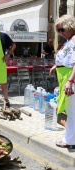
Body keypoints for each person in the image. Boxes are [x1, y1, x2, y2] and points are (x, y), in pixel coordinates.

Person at [49, 15, 75, 149]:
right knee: (70, 110)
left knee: (70, 111)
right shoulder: (70, 40)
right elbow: (67, 59)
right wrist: (56, 66)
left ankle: (70, 140)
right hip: (66, 78)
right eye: (59, 30)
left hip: (70, 79)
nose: (61, 33)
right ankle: (71, 138)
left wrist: (70, 81)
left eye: (62, 29)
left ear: (70, 25)